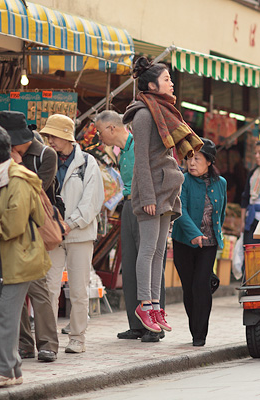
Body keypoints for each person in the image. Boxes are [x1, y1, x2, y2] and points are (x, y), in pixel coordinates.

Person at [122, 56, 201, 334]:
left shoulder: (163, 111)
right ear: (153, 85)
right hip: (151, 194)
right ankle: (144, 305)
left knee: (159, 251)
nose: (172, 83)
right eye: (167, 79)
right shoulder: (144, 114)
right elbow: (141, 159)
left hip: (166, 190)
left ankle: (155, 305)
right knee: (147, 250)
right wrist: (146, 198)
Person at [0, 125, 51, 387]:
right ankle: (12, 369)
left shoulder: (18, 180)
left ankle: (3, 369)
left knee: (6, 313)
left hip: (20, 256)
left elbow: (14, 224)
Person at [95, 110, 166, 342]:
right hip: (127, 206)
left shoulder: (139, 146)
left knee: (149, 261)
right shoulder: (120, 152)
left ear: (112, 128)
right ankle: (136, 324)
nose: (98, 136)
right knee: (130, 263)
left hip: (145, 207)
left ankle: (154, 325)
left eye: (99, 130)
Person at [0, 111, 60, 362]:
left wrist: (17, 164)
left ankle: (48, 344)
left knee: (37, 287)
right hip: (7, 227)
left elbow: (34, 189)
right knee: (13, 287)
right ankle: (24, 344)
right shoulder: (3, 155)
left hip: (34, 229)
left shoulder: (46, 155)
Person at [40, 114, 104, 354]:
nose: (50, 141)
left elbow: (92, 202)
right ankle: (48, 340)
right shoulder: (48, 161)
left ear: (66, 136)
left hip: (80, 235)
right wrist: (53, 225)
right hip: (52, 235)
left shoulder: (88, 163)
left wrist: (71, 224)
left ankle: (78, 337)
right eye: (48, 137)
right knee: (49, 288)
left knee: (78, 290)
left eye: (53, 136)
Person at [171, 138, 227, 347]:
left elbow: (220, 211)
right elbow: (180, 210)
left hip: (209, 243)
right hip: (183, 242)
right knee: (189, 287)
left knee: (201, 286)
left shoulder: (221, 183)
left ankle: (200, 335)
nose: (191, 163)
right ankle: (193, 327)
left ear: (209, 161)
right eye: (189, 158)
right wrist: (194, 233)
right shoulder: (182, 180)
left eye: (197, 159)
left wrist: (213, 233)